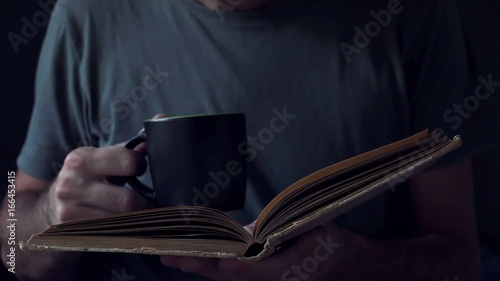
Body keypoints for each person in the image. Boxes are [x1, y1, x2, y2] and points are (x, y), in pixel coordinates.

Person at [1, 0, 494, 280]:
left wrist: (354, 266)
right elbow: (10, 247)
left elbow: (460, 259)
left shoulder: (413, 14)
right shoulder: (88, 15)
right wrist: (47, 217)